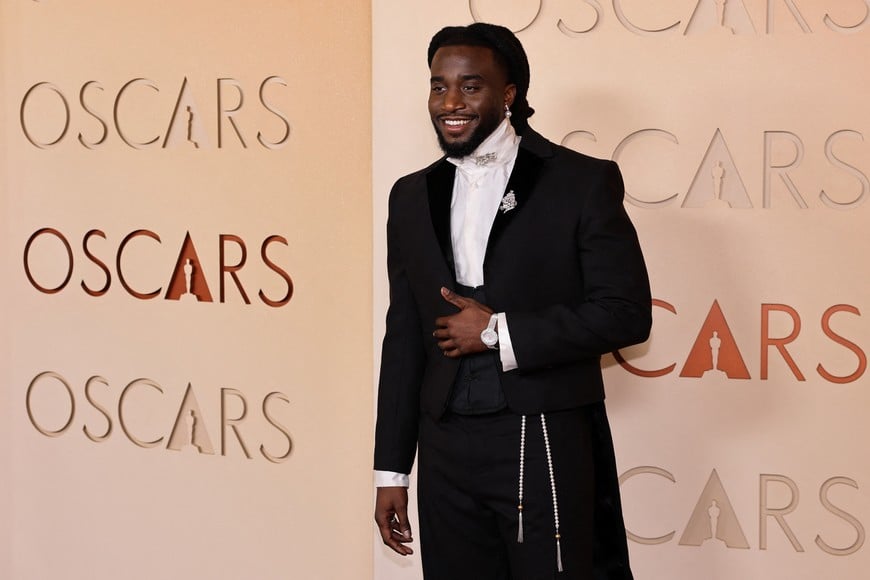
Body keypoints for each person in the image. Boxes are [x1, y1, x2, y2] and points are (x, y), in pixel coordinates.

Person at [374, 22, 651, 580]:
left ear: (509, 95)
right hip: (445, 447)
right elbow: (404, 337)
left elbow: (625, 311)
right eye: (438, 86)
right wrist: (391, 473)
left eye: (470, 87)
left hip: (541, 435)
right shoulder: (410, 195)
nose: (449, 103)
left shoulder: (580, 182)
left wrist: (500, 331)